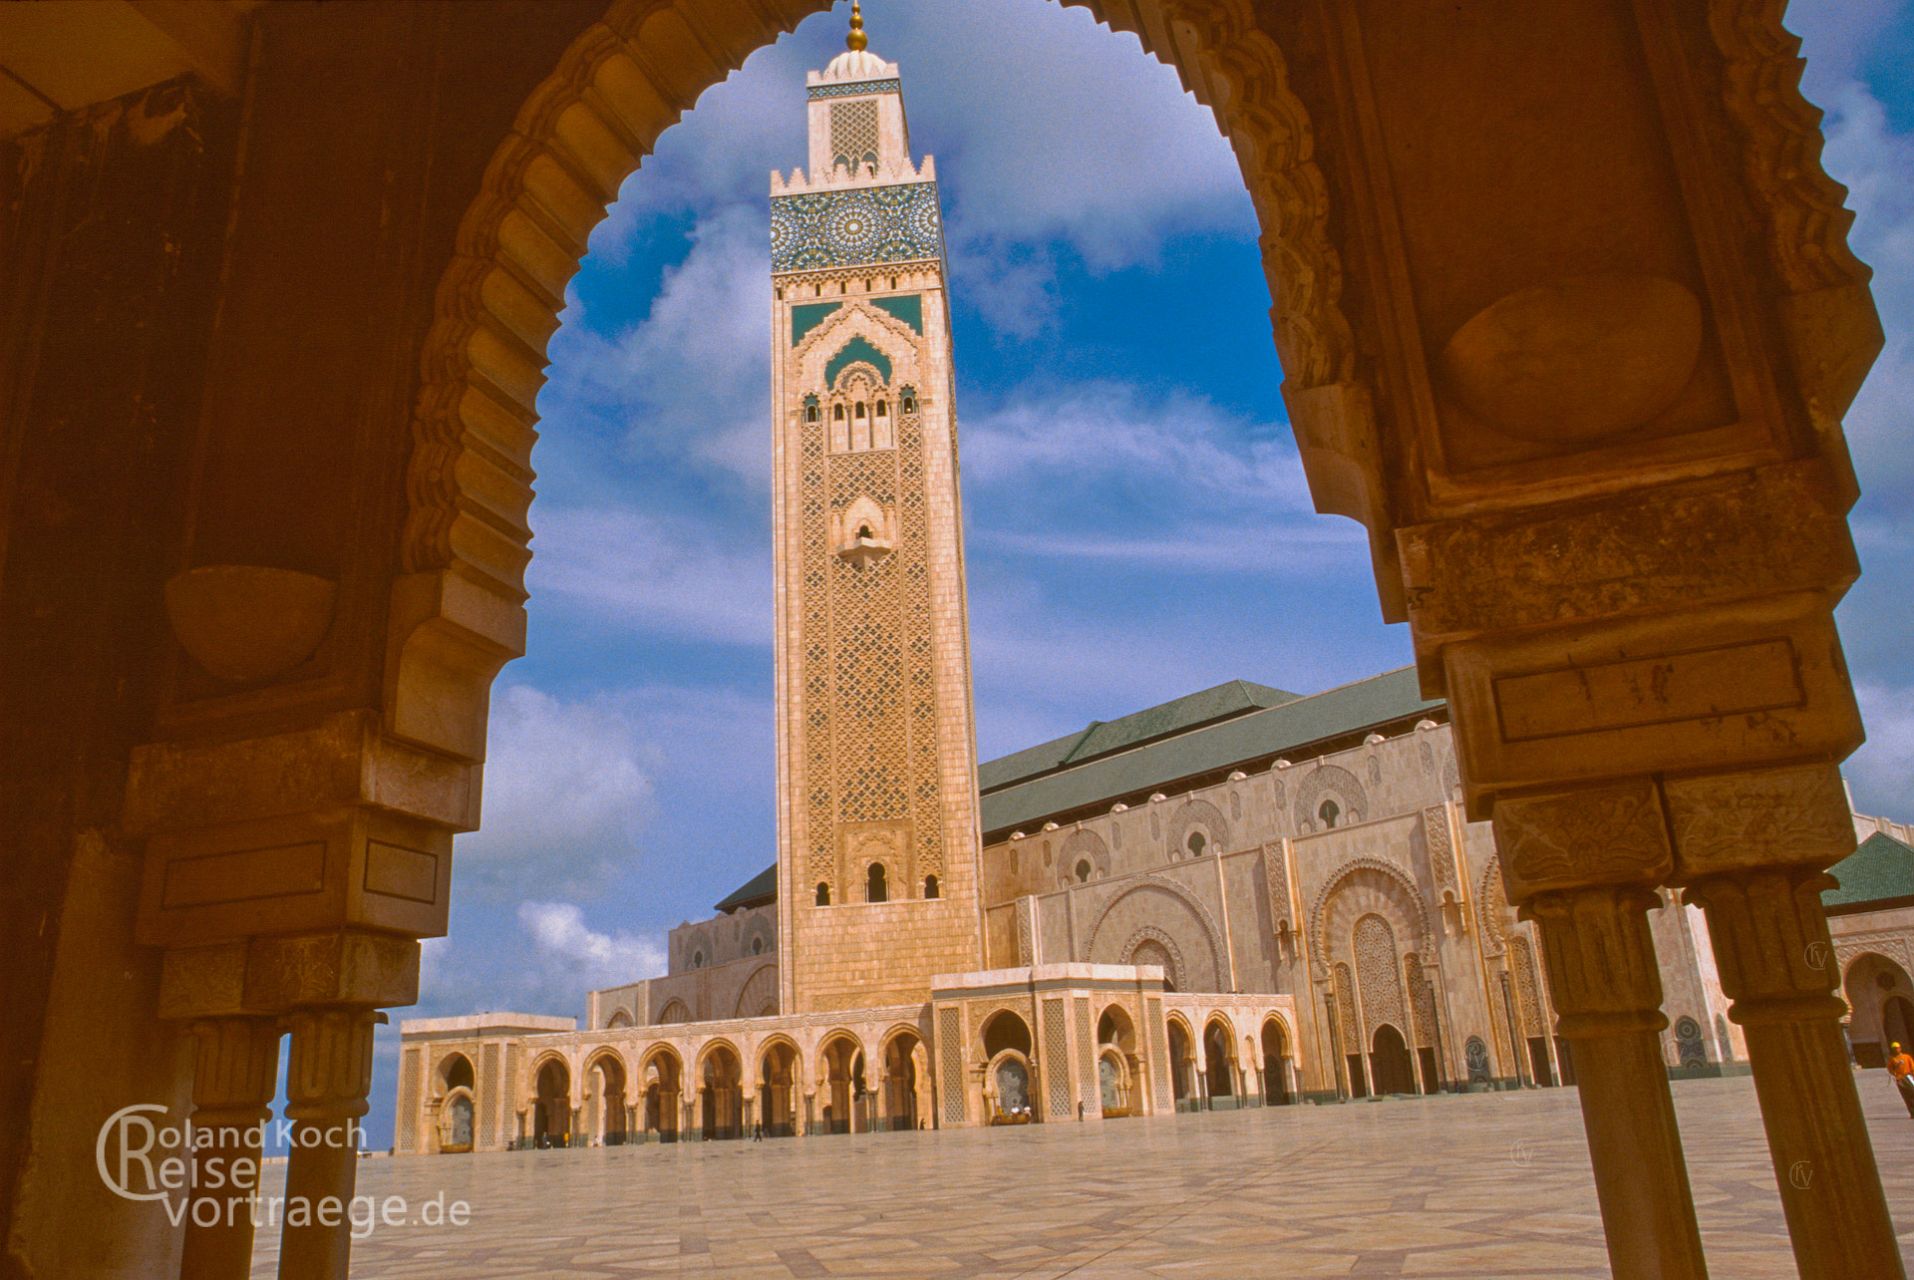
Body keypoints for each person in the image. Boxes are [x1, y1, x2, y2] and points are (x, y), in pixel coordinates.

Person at [1888, 1042, 1914, 1118]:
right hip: (1900, 1079)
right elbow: (1890, 1069)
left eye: (1897, 1048)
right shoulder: (1892, 1059)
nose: (1896, 1050)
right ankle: (1912, 1113)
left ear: (1900, 1048)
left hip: (1908, 1077)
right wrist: (1895, 1073)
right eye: (1894, 1049)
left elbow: (1912, 1067)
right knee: (1906, 1096)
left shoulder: (1906, 1057)